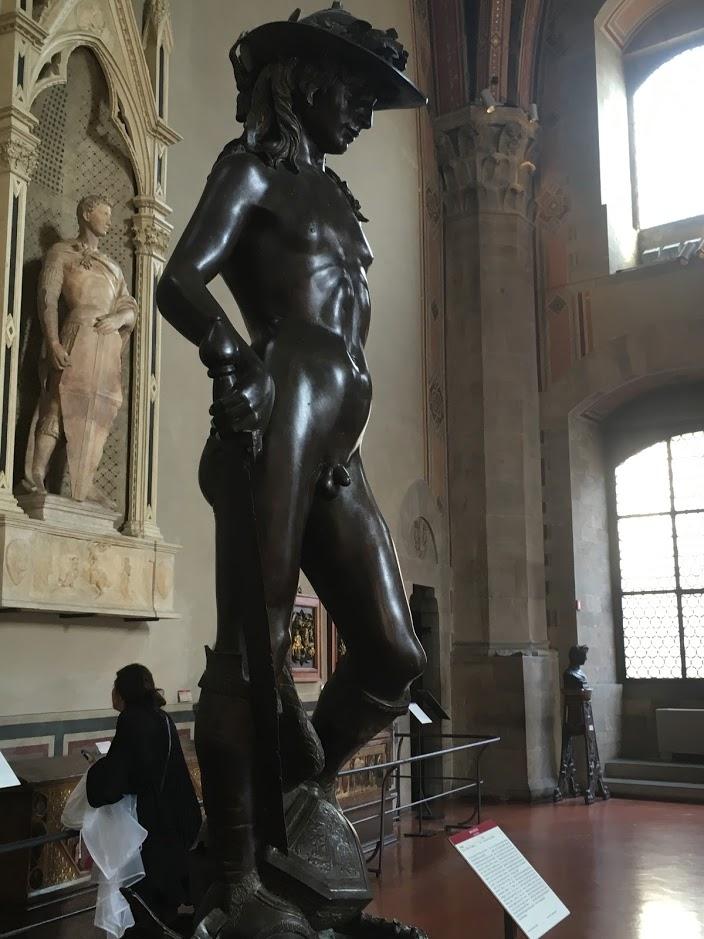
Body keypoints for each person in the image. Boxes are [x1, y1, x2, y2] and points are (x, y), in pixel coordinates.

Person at [156, 4, 428, 935]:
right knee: (253, 643)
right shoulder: (252, 169)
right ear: (304, 81)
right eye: (353, 91)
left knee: (394, 652)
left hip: (338, 435)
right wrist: (231, 359)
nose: (361, 112)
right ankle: (235, 877)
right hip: (281, 403)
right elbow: (180, 278)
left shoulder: (338, 199)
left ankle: (295, 794)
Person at [22, 195, 137, 505]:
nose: (110, 221)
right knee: (58, 402)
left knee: (98, 412)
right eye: (104, 213)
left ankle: (85, 483)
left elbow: (130, 307)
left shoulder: (113, 266)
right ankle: (36, 473)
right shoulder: (61, 253)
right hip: (77, 333)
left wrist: (118, 319)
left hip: (105, 343)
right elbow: (47, 299)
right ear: (87, 214)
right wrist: (53, 342)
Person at [87, 664, 202, 935]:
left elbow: (114, 781)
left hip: (149, 835)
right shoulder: (162, 717)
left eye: (114, 687)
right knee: (163, 914)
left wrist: (96, 768)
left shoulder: (131, 720)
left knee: (144, 915)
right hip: (172, 828)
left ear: (123, 692)